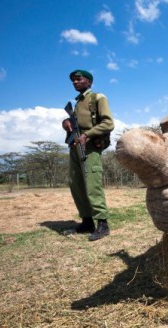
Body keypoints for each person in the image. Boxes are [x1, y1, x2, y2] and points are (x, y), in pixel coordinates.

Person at [62, 69, 114, 241]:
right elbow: (76, 123)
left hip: (90, 147)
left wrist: (87, 135)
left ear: (89, 82)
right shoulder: (77, 103)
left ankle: (102, 224)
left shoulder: (98, 98)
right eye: (73, 81)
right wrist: (67, 123)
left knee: (92, 185)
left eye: (78, 79)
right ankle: (86, 222)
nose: (75, 82)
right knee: (75, 184)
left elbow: (108, 123)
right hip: (74, 147)